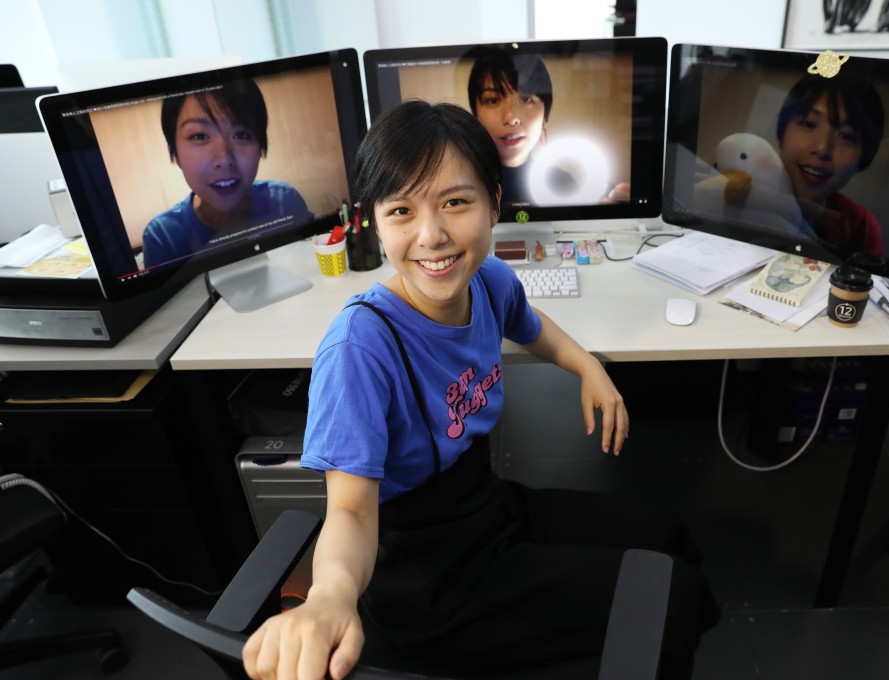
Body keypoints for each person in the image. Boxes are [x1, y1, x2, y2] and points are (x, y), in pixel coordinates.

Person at [242, 100, 718, 680]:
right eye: (401, 210)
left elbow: (531, 323)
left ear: (495, 202)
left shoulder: (487, 279)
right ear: (372, 220)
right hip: (430, 583)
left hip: (488, 510)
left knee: (666, 533)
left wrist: (584, 364)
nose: (432, 236)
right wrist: (329, 598)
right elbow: (348, 509)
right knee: (671, 598)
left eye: (455, 202)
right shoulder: (360, 349)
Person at [142, 78, 312, 268]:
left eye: (241, 134)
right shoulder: (163, 236)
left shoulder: (285, 201)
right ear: (175, 153)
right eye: (199, 136)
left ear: (261, 147)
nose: (224, 159)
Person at [466, 47, 629, 207]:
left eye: (526, 100)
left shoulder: (563, 183)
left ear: (544, 117)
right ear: (476, 114)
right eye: (493, 100)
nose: (511, 117)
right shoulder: (462, 185)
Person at [776, 72, 886, 257]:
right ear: (782, 131)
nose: (822, 148)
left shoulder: (861, 227)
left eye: (846, 136)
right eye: (809, 124)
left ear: (864, 155)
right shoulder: (740, 191)